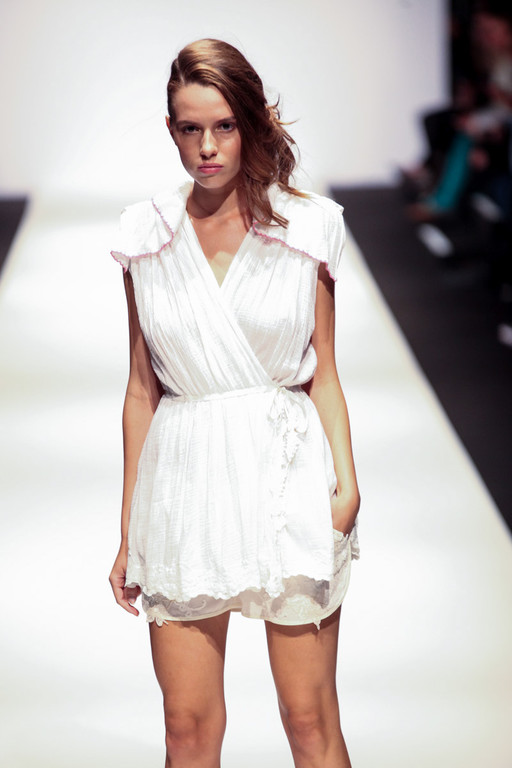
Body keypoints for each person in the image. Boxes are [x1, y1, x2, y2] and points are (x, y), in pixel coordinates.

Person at [109, 38, 360, 768]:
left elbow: (325, 372)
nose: (208, 147)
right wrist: (129, 531)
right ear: (170, 130)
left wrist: (347, 486)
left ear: (250, 122)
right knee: (186, 729)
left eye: (224, 125)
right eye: (190, 128)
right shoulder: (145, 235)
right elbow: (140, 388)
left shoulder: (309, 226)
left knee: (308, 718)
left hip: (288, 476)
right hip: (184, 482)